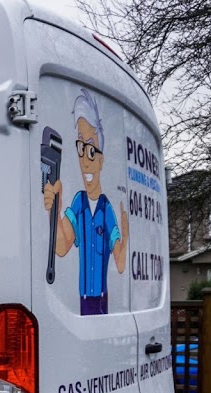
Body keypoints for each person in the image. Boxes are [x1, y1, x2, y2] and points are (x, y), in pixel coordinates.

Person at [44, 89, 129, 315]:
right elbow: (61, 247)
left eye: (91, 151)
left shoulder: (106, 209)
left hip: (101, 299)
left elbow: (120, 263)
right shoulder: (79, 203)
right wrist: (54, 211)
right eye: (81, 149)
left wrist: (126, 234)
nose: (85, 160)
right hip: (82, 300)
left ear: (101, 160)